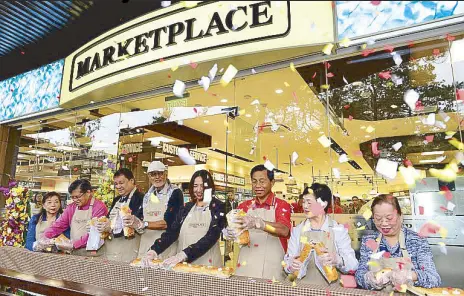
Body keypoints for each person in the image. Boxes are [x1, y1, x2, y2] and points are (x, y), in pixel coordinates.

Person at [356, 194, 441, 291]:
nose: (384, 223)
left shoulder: (417, 240)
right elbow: (359, 275)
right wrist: (368, 279)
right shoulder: (369, 240)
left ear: (400, 216)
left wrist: (411, 275)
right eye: (378, 219)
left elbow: (434, 279)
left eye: (389, 218)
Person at [223, 164, 292, 280]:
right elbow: (239, 233)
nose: (258, 186)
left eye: (262, 181)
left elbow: (284, 230)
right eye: (254, 182)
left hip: (272, 268)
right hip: (246, 265)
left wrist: (260, 223)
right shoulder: (244, 206)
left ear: (272, 182)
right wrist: (230, 233)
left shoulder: (281, 205)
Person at [144, 169, 225, 267]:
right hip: (184, 265)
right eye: (195, 186)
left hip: (208, 265)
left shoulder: (218, 207)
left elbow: (211, 236)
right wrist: (154, 250)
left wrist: (185, 254)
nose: (199, 190)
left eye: (203, 186)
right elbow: (172, 232)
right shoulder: (187, 208)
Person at [284, 184, 358, 285]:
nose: (305, 206)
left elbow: (353, 264)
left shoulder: (338, 230)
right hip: (302, 288)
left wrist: (337, 260)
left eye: (309, 202)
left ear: (323, 204)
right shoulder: (298, 230)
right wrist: (290, 265)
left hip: (332, 289)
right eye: (304, 201)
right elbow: (287, 261)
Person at [42, 179, 108, 256]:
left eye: (77, 197)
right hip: (75, 252)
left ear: (88, 192)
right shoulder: (71, 207)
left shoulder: (99, 207)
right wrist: (44, 238)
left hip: (94, 253)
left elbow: (95, 233)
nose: (75, 200)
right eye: (72, 197)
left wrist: (74, 245)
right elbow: (58, 225)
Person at [96, 168, 144, 263]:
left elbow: (137, 224)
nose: (118, 186)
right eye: (116, 184)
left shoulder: (141, 198)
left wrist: (111, 227)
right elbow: (110, 218)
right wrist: (102, 225)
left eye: (121, 183)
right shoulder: (117, 199)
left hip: (129, 248)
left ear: (131, 181)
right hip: (112, 247)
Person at [137, 161, 184, 258]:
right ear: (149, 177)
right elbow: (140, 216)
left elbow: (169, 223)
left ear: (166, 174)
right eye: (153, 174)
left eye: (160, 173)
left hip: (165, 246)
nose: (157, 177)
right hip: (146, 243)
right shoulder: (147, 195)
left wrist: (144, 224)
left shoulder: (175, 193)